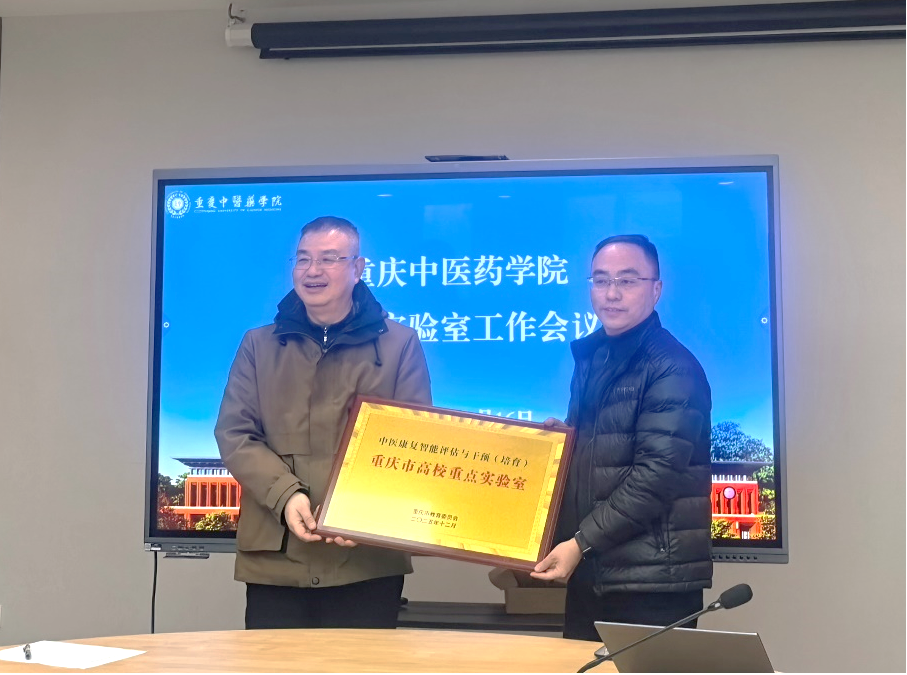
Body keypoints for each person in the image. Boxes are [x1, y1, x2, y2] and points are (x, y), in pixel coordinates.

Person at [215, 215, 432, 630]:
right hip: (277, 559)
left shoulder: (399, 344)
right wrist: (286, 496)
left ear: (358, 268)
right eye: (303, 259)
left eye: (329, 258)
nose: (313, 270)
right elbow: (235, 434)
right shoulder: (258, 345)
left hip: (366, 561)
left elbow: (414, 441)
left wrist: (359, 511)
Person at [531, 234, 713, 641]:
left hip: (651, 584)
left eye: (627, 281)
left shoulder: (672, 367)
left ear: (656, 289)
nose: (611, 293)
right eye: (600, 280)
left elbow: (655, 478)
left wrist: (579, 543)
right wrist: (565, 445)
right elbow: (607, 455)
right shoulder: (597, 357)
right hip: (596, 572)